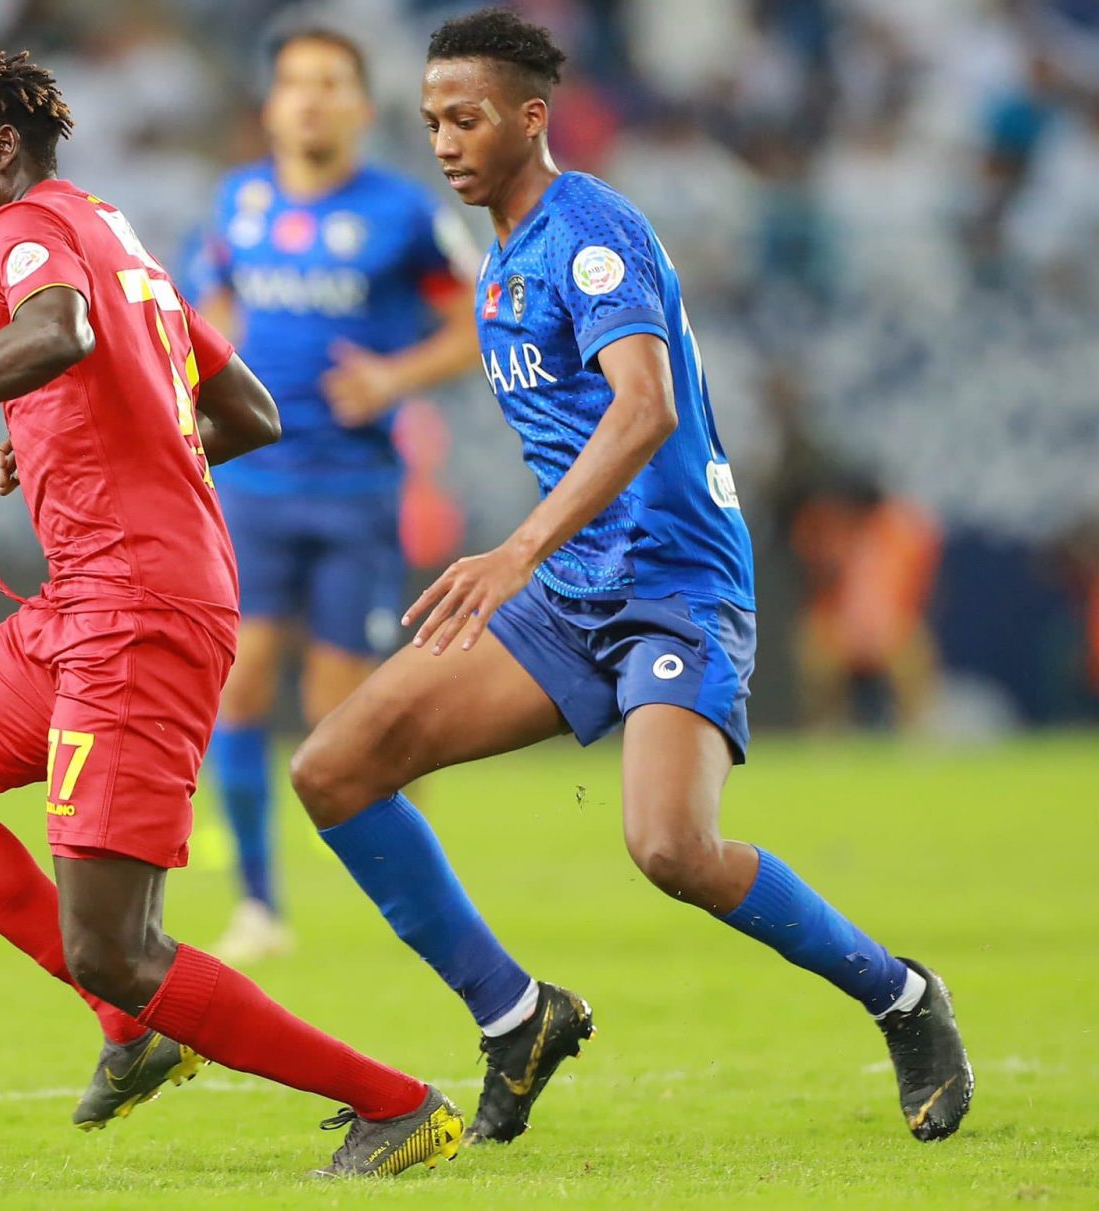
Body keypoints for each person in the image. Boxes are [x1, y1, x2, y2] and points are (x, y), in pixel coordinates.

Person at [289, 9, 972, 1148]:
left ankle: (902, 996)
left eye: (466, 118)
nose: (445, 142)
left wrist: (515, 550)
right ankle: (516, 1017)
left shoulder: (588, 229)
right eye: (431, 122)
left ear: (531, 116)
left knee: (670, 848)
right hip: (571, 594)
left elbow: (645, 406)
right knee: (333, 769)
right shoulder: (499, 258)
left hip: (675, 583)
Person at [0, 50, 461, 1177]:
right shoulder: (107, 230)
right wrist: (85, 440)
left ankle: (399, 1104)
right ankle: (133, 1027)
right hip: (85, 600)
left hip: (135, 611)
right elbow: (246, 411)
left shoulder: (24, 231)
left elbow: (57, 334)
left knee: (116, 945)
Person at [186, 28, 480, 962]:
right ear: (272, 105)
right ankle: (258, 906)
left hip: (356, 489)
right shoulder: (236, 203)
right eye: (295, 83)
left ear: (360, 106)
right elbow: (206, 315)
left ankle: (412, 870)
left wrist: (395, 378)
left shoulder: (403, 212)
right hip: (252, 484)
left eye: (329, 83)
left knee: (340, 715)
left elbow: (477, 320)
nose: (310, 99)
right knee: (237, 685)